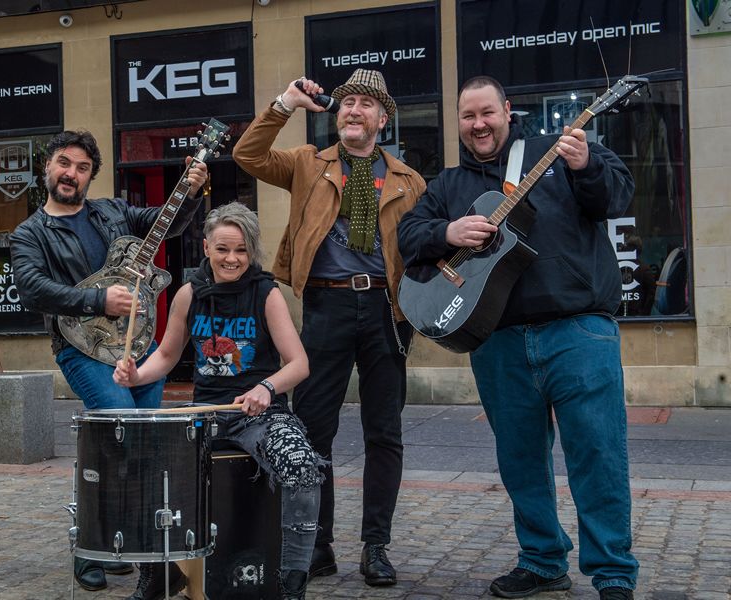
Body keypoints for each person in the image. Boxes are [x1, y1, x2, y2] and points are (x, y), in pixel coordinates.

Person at [397, 76, 639, 600]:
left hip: (578, 330)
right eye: (467, 117)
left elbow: (616, 196)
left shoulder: (560, 153)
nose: (478, 124)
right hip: (497, 340)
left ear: (508, 110)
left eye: (487, 112)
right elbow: (408, 238)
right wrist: (447, 233)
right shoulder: (449, 186)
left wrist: (585, 165)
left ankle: (613, 572)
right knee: (520, 461)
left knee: (597, 453)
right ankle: (542, 559)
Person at [232, 68, 426, 587]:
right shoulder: (305, 164)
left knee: (384, 432)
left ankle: (376, 547)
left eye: (365, 103)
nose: (352, 110)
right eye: (346, 103)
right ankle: (317, 545)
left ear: (382, 118)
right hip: (325, 306)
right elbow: (247, 156)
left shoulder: (409, 181)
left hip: (388, 311)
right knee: (314, 431)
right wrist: (284, 104)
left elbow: (425, 250)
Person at [9, 129, 207, 594]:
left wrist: (192, 191)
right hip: (80, 348)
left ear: (90, 175)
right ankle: (89, 546)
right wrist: (98, 300)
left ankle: (124, 544)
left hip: (137, 347)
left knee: (145, 443)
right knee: (119, 434)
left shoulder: (113, 211)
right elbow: (32, 288)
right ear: (47, 167)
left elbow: (168, 223)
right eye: (63, 163)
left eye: (81, 167)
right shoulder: (29, 233)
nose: (70, 173)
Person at [113, 202, 325, 600]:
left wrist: (266, 388)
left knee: (302, 469)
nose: (232, 258)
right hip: (205, 413)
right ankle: (161, 573)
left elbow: (298, 364)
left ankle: (292, 580)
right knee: (141, 461)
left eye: (242, 250)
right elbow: (168, 355)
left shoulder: (267, 293)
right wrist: (137, 374)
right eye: (224, 248)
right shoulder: (188, 293)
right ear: (207, 247)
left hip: (259, 415)